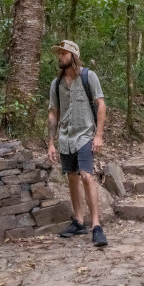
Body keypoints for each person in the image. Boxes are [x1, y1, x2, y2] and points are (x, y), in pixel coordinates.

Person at [47, 40, 108, 247]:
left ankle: (97, 226)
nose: (59, 57)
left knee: (86, 176)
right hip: (65, 137)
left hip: (85, 135)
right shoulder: (56, 84)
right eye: (58, 53)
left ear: (73, 55)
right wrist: (51, 143)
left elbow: (101, 105)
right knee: (72, 177)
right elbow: (53, 113)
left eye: (63, 53)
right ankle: (79, 221)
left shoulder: (88, 76)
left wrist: (98, 135)